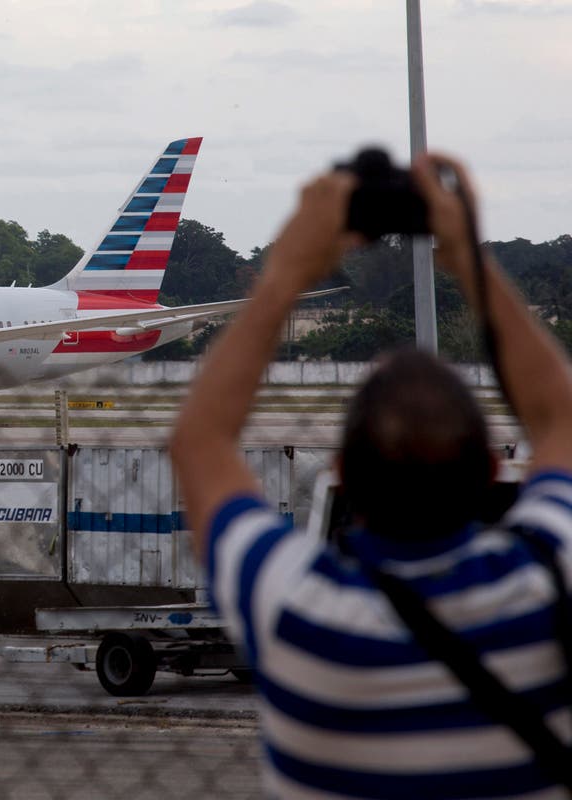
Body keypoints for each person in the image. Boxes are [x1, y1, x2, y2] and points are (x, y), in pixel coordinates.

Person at [168, 153, 572, 799]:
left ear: (342, 477)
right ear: (495, 469)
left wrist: (286, 273)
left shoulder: (295, 613)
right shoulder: (546, 584)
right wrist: (469, 254)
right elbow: (561, 418)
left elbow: (197, 441)